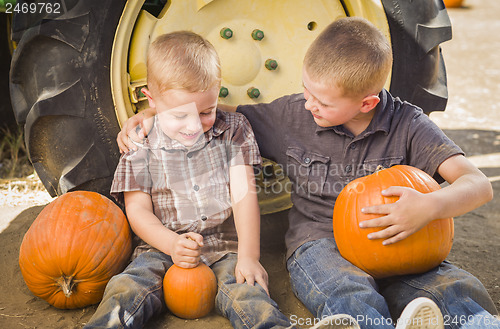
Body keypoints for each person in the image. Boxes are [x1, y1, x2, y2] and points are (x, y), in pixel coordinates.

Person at [117, 19, 500, 329]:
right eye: (305, 90)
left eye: (322, 101)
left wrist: (431, 206)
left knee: (453, 286)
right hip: (319, 241)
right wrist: (155, 112)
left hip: (400, 239)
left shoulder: (409, 124)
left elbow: (478, 185)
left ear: (367, 101)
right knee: (346, 290)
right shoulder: (293, 114)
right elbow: (218, 112)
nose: (308, 103)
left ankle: (465, 323)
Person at [87, 30, 359, 329]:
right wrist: (172, 243)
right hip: (159, 248)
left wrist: (249, 257)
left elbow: (244, 198)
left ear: (218, 93)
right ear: (151, 100)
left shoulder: (233, 130)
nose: (194, 126)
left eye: (207, 111)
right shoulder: (140, 142)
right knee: (126, 288)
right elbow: (137, 211)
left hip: (226, 248)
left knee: (250, 295)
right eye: (180, 116)